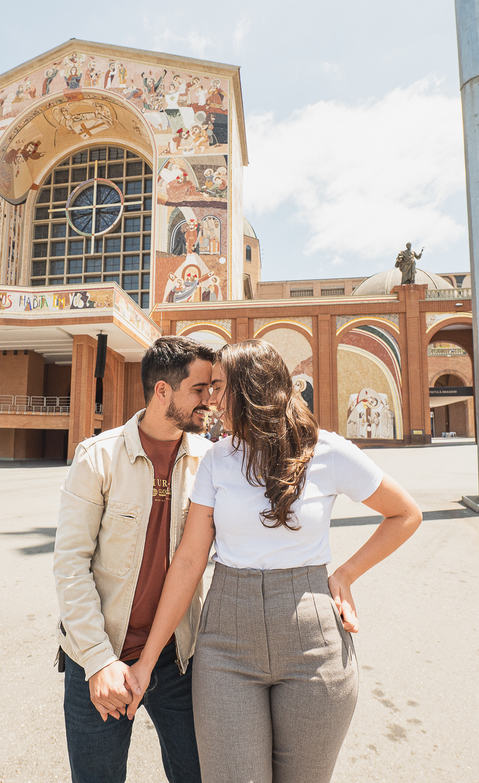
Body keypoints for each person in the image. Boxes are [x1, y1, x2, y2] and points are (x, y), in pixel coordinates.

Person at [127, 339, 423, 782]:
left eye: (219, 386)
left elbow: (405, 513)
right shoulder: (216, 462)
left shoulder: (329, 452)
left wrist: (345, 574)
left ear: (251, 389)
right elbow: (189, 562)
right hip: (226, 642)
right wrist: (148, 660)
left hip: (313, 641)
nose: (210, 398)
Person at [54, 336, 218, 783]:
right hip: (101, 661)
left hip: (177, 659)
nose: (210, 400)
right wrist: (98, 661)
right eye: (199, 390)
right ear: (162, 391)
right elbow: (70, 564)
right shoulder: (98, 458)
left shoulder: (210, 462)